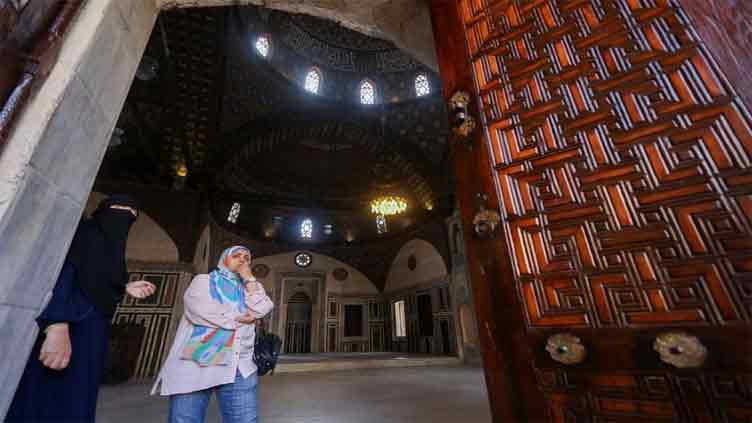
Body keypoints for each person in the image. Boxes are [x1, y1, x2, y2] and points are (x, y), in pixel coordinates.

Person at [6, 195, 157, 423]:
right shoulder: (81, 234)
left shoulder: (107, 246)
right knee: (48, 397)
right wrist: (57, 325)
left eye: (132, 214)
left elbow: (94, 279)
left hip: (91, 333)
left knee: (78, 397)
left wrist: (124, 286)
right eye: (120, 208)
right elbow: (61, 276)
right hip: (67, 329)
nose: (126, 215)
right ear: (102, 212)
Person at [152, 246, 274, 423]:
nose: (242, 260)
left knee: (245, 419)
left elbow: (262, 308)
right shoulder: (204, 280)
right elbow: (200, 310)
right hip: (198, 360)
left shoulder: (251, 287)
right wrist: (241, 319)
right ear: (224, 259)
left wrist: (249, 278)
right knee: (185, 418)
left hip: (239, 364)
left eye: (246, 257)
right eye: (236, 255)